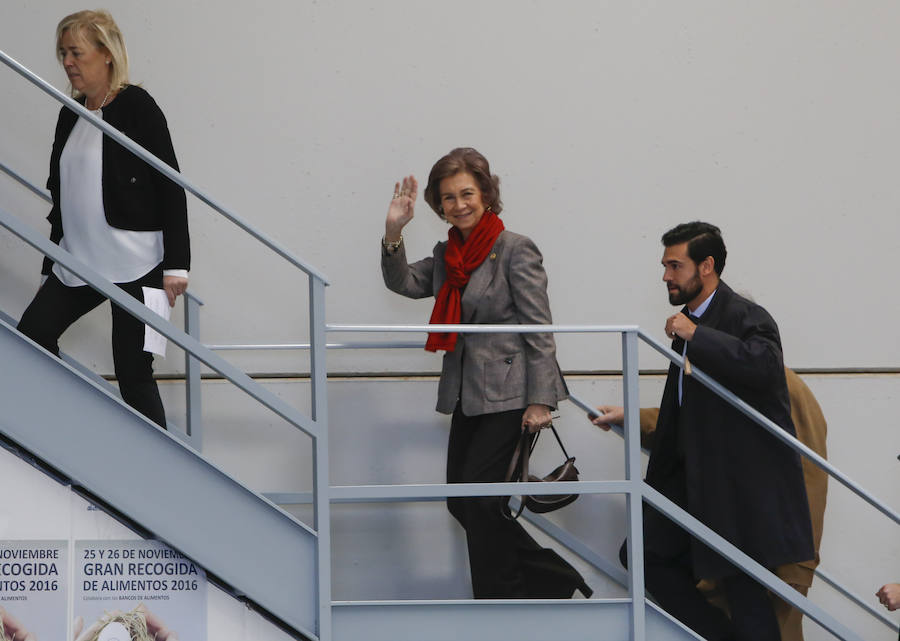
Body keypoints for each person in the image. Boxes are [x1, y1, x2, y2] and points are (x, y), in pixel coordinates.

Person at [381, 147, 589, 599]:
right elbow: (403, 283)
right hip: (465, 395)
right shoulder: (447, 254)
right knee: (463, 502)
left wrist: (541, 399)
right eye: (449, 198)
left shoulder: (514, 248)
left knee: (479, 501)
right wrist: (394, 232)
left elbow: (539, 329)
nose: (459, 204)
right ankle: (552, 575)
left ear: (486, 193)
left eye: (467, 193)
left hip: (512, 396)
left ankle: (500, 602)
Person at [592, 222, 814, 641]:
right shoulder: (689, 323)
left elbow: (766, 367)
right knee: (642, 553)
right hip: (691, 479)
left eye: (675, 266)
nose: (665, 276)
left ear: (707, 266)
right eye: (664, 266)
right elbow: (690, 407)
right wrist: (630, 417)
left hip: (734, 487)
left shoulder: (741, 316)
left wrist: (699, 335)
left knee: (741, 583)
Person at [17, 10, 189, 429]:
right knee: (32, 336)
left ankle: (160, 471)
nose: (68, 62)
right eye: (63, 54)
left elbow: (171, 185)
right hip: (77, 261)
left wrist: (177, 264)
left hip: (139, 263)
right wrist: (48, 264)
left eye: (76, 52)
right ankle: (76, 426)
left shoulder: (137, 107)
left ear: (106, 54)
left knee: (133, 374)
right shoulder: (70, 114)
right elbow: (61, 201)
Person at [595, 366, 828, 641]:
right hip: (762, 527)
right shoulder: (765, 378)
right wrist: (632, 418)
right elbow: (701, 424)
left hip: (762, 529)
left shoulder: (753, 379)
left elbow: (702, 426)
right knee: (652, 555)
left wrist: (634, 419)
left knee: (752, 607)